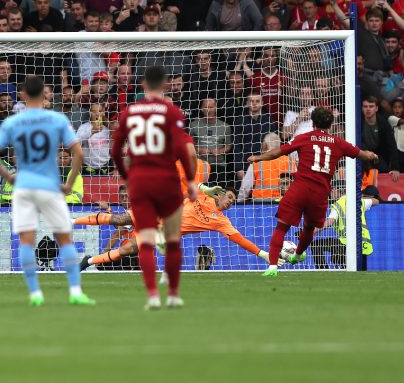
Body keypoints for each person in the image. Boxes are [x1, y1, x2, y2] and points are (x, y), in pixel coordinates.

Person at [0, 75, 94, 307]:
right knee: (64, 240)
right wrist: (69, 183)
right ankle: (75, 291)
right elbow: (79, 154)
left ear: (22, 95)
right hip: (50, 186)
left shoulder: (13, 122)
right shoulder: (56, 119)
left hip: (24, 186)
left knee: (26, 242)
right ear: (45, 94)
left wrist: (9, 177)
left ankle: (35, 293)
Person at [248, 107, 380, 277]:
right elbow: (364, 154)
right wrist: (373, 156)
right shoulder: (339, 143)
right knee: (309, 227)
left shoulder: (303, 138)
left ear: (312, 122)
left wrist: (258, 158)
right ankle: (297, 255)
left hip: (300, 188)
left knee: (282, 227)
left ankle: (273, 266)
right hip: (320, 193)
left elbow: (277, 152)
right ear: (331, 124)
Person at [110, 65, 197, 310]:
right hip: (167, 180)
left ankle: (151, 296)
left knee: (146, 240)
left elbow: (116, 151)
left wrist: (127, 175)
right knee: (172, 239)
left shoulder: (130, 112)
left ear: (143, 85)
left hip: (140, 181)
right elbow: (182, 149)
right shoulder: (172, 112)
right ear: (165, 85)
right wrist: (190, 181)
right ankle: (173, 294)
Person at [77, 186, 284, 270]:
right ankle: (74, 222)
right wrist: (203, 187)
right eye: (228, 196)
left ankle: (89, 261)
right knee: (118, 219)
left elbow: (240, 240)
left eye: (233, 200)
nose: (230, 201)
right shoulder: (203, 195)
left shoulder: (221, 221)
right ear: (219, 194)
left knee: (127, 250)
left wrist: (263, 254)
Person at [313, 186, 380, 270]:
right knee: (360, 274)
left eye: (332, 190)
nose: (330, 193)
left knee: (316, 245)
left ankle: (323, 271)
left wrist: (312, 231)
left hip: (346, 244)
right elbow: (376, 201)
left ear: (337, 190)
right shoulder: (358, 201)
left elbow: (330, 222)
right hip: (363, 245)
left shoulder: (338, 204)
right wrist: (362, 197)